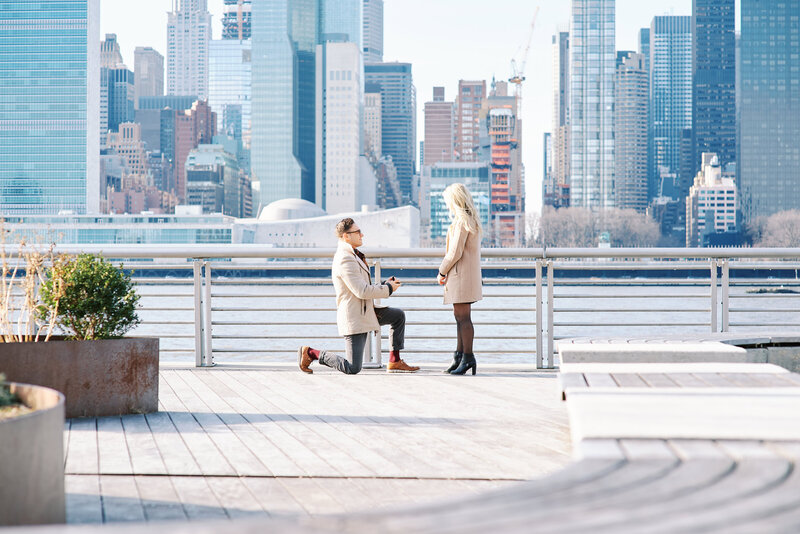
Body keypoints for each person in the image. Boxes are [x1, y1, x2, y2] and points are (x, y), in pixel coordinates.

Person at [298, 218, 420, 374]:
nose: (362, 235)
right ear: (346, 236)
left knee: (397, 316)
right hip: (355, 315)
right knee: (352, 367)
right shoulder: (345, 258)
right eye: (357, 232)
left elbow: (363, 287)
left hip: (365, 310)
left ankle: (394, 361)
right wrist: (388, 289)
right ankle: (311, 353)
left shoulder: (353, 255)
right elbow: (361, 291)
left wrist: (384, 284)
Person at [437, 183, 482, 375]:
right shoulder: (470, 221)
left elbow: (454, 252)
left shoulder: (461, 222)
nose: (447, 205)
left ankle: (468, 357)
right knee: (460, 317)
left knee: (463, 318)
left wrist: (441, 271)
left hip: (461, 275)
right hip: (465, 276)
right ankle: (460, 356)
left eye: (448, 201)